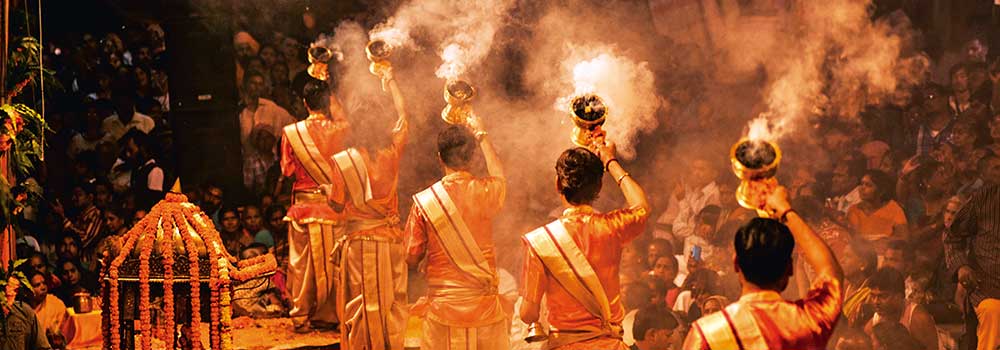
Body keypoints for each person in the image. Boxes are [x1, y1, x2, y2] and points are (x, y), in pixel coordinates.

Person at [519, 134, 650, 349]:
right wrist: (610, 160)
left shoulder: (540, 242)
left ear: (558, 184)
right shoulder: (612, 227)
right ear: (599, 187)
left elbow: (528, 314)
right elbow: (641, 207)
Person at [682, 186, 844, 349]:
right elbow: (831, 272)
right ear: (789, 269)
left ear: (736, 264)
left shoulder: (707, 334)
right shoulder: (806, 320)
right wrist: (785, 210)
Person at [405, 120, 507, 349]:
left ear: (439, 158)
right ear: (472, 158)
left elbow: (411, 256)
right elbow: (500, 177)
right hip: (484, 311)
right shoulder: (486, 191)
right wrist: (482, 135)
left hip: (442, 312)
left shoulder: (425, 203)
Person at [329, 62, 409, 350]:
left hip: (362, 243)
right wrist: (391, 81)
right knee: (393, 301)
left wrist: (329, 192)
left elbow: (336, 204)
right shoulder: (393, 151)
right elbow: (403, 117)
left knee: (364, 302)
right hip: (392, 241)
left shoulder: (345, 161)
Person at [280, 76, 350, 332]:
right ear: (329, 101)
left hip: (303, 208)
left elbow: (287, 171)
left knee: (301, 265)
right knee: (337, 264)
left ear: (304, 102)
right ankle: (336, 316)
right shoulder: (342, 129)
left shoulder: (291, 132)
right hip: (335, 208)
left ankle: (301, 318)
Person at [944, 182, 1000, 350]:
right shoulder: (985, 197)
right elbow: (953, 237)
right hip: (988, 288)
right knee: (992, 311)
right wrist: (961, 266)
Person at [239, 71, 296, 190]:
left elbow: (292, 124)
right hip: (248, 166)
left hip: (272, 163)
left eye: (260, 84)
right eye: (253, 83)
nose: (257, 87)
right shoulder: (239, 110)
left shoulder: (271, 107)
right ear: (245, 85)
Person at [864, 267, 938, 350]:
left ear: (899, 296)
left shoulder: (918, 319)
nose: (876, 302)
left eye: (883, 296)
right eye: (873, 296)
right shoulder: (874, 323)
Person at [847, 170, 908, 249]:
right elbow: (850, 238)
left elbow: (903, 238)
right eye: (861, 184)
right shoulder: (854, 210)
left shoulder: (893, 208)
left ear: (881, 191)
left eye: (868, 185)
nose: (862, 188)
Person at [27, 270, 67, 343]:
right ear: (27, 290)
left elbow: (65, 332)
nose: (43, 288)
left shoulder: (56, 303)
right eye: (37, 285)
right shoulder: (22, 309)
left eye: (44, 283)